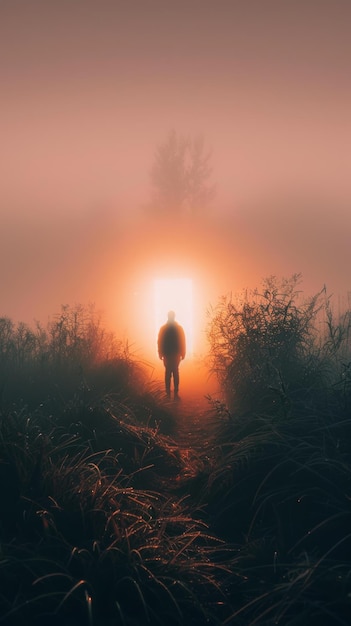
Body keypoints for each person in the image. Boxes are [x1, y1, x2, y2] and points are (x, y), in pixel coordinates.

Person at [158, 310, 186, 399]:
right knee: (174, 372)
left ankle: (169, 394)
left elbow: (159, 341)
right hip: (174, 353)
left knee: (169, 372)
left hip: (168, 354)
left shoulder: (163, 328)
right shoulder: (179, 328)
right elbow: (182, 341)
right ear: (173, 316)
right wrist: (183, 352)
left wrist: (160, 352)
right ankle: (174, 393)